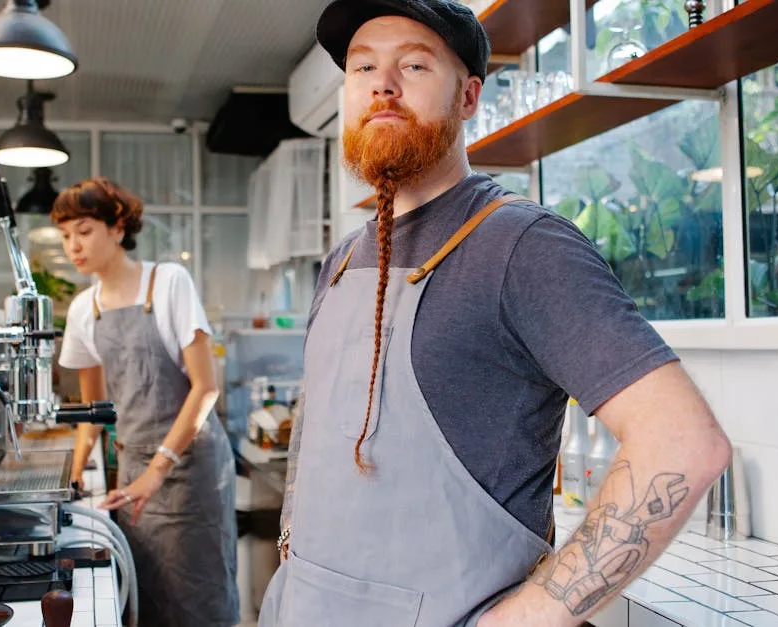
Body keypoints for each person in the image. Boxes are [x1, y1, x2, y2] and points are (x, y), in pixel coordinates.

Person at [258, 1, 732, 626]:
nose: (383, 85)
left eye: (416, 65)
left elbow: (682, 443)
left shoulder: (522, 246)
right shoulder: (343, 260)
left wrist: (530, 617)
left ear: (469, 97)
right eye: (362, 67)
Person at [53, 177, 239, 627]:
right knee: (149, 595)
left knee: (198, 597)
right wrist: (72, 481)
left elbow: (205, 387)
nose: (73, 246)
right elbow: (93, 414)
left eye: (83, 230)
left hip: (189, 470)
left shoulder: (168, 282)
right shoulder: (84, 309)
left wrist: (159, 469)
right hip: (133, 474)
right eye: (64, 236)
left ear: (117, 228)